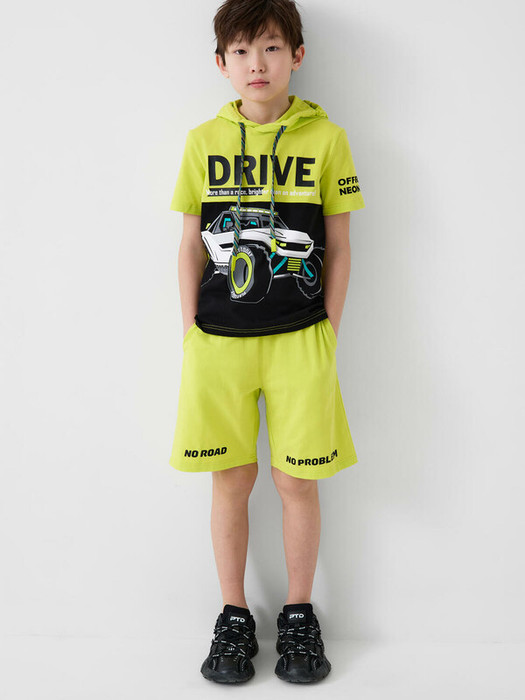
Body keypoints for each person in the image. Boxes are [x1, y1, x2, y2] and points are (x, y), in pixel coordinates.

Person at [168, 0, 365, 684]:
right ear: (222, 63)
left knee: (296, 480)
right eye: (243, 51)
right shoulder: (202, 142)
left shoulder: (327, 139)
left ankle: (299, 613)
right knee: (231, 478)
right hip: (218, 341)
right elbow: (190, 242)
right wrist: (190, 329)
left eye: (273, 48)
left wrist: (328, 329)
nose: (258, 64)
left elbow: (339, 244)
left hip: (301, 340)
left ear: (297, 56)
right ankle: (232, 614)